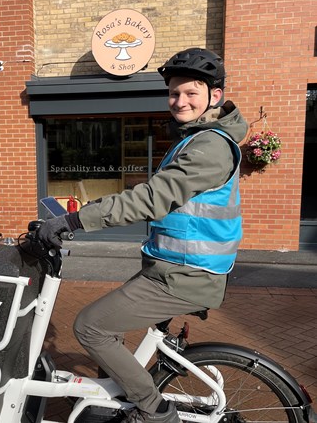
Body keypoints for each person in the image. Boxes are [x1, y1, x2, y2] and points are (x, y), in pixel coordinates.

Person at [37, 47, 248, 423]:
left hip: (185, 274)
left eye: (191, 93)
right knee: (109, 326)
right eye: (174, 93)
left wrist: (74, 221)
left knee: (90, 326)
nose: (179, 101)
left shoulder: (210, 146)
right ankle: (110, 402)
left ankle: (155, 412)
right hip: (171, 267)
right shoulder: (196, 137)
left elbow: (153, 198)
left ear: (214, 96)